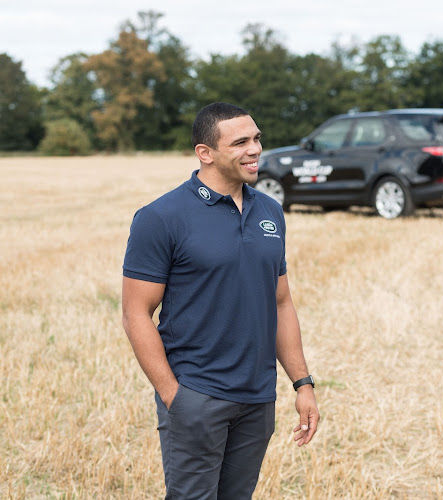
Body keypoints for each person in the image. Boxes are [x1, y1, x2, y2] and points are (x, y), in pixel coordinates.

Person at [122, 102, 319, 499]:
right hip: (198, 394)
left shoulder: (270, 212)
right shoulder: (161, 217)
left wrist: (302, 383)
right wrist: (173, 395)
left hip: (258, 398)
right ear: (205, 153)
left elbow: (280, 303)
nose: (255, 149)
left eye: (257, 138)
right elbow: (135, 313)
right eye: (241, 142)